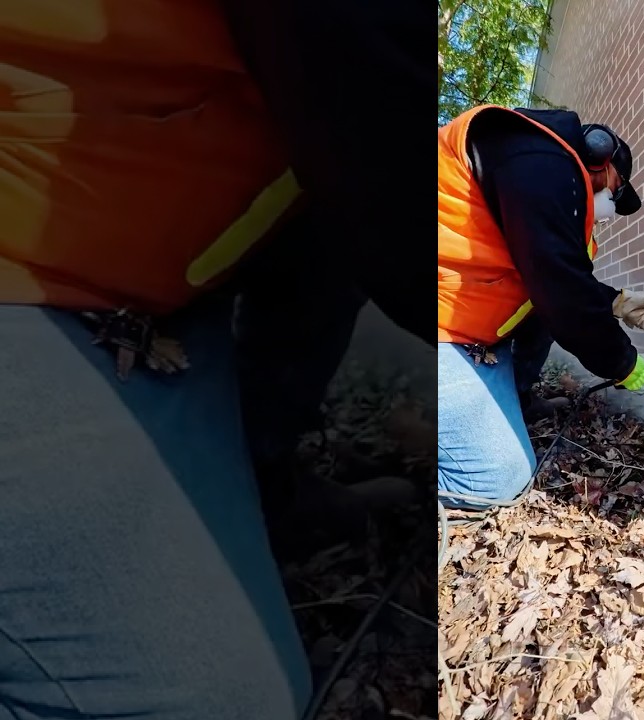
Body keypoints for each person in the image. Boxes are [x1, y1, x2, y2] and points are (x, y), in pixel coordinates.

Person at [0, 0, 434, 716]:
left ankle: (261, 483)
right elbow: (404, 207)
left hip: (135, 260)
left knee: (327, 231)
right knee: (219, 700)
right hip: (30, 274)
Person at [437, 104, 644, 506]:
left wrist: (617, 301)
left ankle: (518, 397)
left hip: (467, 329)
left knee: (541, 316)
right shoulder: (540, 161)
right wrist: (625, 365)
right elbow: (559, 286)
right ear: (598, 154)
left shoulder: (543, 171)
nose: (612, 205)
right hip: (436, 332)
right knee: (497, 481)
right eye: (616, 189)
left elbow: (545, 272)